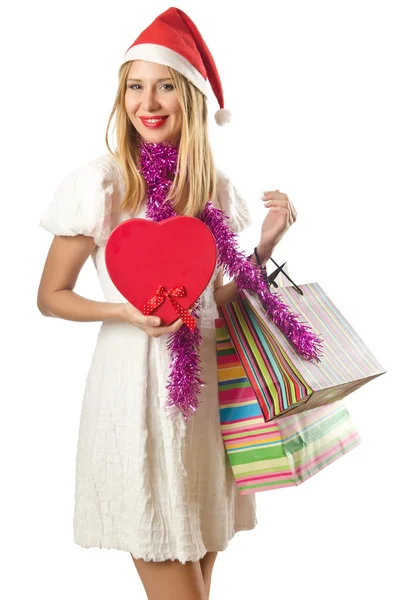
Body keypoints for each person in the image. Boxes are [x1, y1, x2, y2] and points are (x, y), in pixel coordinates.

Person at [37, 7, 296, 600]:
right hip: (135, 402)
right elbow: (50, 296)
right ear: (120, 96)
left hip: (203, 410)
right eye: (135, 85)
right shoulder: (103, 183)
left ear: (192, 98)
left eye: (165, 85)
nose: (147, 101)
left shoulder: (214, 190)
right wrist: (121, 312)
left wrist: (262, 247)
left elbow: (213, 304)